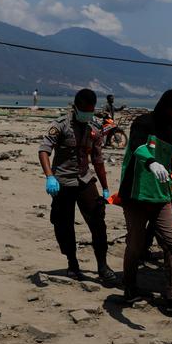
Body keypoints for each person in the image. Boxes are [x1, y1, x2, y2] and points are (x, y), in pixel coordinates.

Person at [117, 85, 172, 313]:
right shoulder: (143, 123)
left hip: (162, 195)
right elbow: (136, 146)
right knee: (135, 244)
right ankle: (130, 288)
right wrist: (151, 162)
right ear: (166, 107)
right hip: (136, 195)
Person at [37, 89, 115, 283]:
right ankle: (72, 264)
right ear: (76, 106)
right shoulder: (60, 125)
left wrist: (105, 188)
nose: (88, 114)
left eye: (91, 110)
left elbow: (97, 160)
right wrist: (49, 176)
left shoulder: (93, 129)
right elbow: (44, 150)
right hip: (62, 182)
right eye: (85, 110)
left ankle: (102, 266)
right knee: (64, 225)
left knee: (98, 221)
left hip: (85, 180)